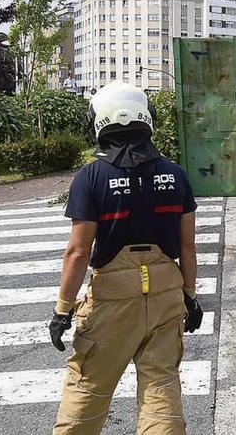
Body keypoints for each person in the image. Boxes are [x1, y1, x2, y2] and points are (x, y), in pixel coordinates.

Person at [50, 81, 203, 434]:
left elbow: (78, 251)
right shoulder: (175, 174)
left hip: (113, 300)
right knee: (160, 391)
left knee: (88, 385)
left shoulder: (91, 178)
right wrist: (190, 298)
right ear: (145, 119)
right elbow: (188, 247)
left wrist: (62, 310)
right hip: (167, 295)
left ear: (100, 122)